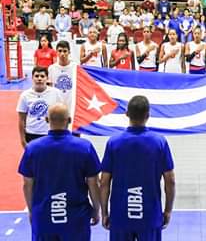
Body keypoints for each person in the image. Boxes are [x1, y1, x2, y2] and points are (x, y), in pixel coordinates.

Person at [18, 103, 101, 240]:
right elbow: (93, 183)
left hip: (44, 216)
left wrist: (33, 211)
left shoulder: (33, 148)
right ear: (69, 120)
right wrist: (96, 209)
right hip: (76, 218)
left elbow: (27, 184)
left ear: (46, 120)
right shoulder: (84, 147)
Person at [100, 95, 176, 240]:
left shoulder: (114, 143)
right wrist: (167, 211)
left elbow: (104, 181)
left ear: (126, 114)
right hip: (149, 216)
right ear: (148, 115)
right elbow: (170, 180)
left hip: (120, 216)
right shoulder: (159, 142)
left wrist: (104, 212)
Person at [17, 67, 63, 147]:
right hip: (31, 134)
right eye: (36, 76)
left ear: (47, 78)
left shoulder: (56, 93)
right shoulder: (25, 95)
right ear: (32, 78)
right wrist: (22, 139)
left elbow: (61, 115)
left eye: (42, 76)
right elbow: (21, 119)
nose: (39, 79)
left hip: (50, 133)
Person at [48, 41, 76, 108]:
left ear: (69, 52)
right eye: (60, 51)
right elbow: (49, 87)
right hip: (56, 104)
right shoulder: (51, 68)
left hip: (72, 103)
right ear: (56, 52)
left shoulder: (75, 67)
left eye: (65, 51)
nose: (62, 54)